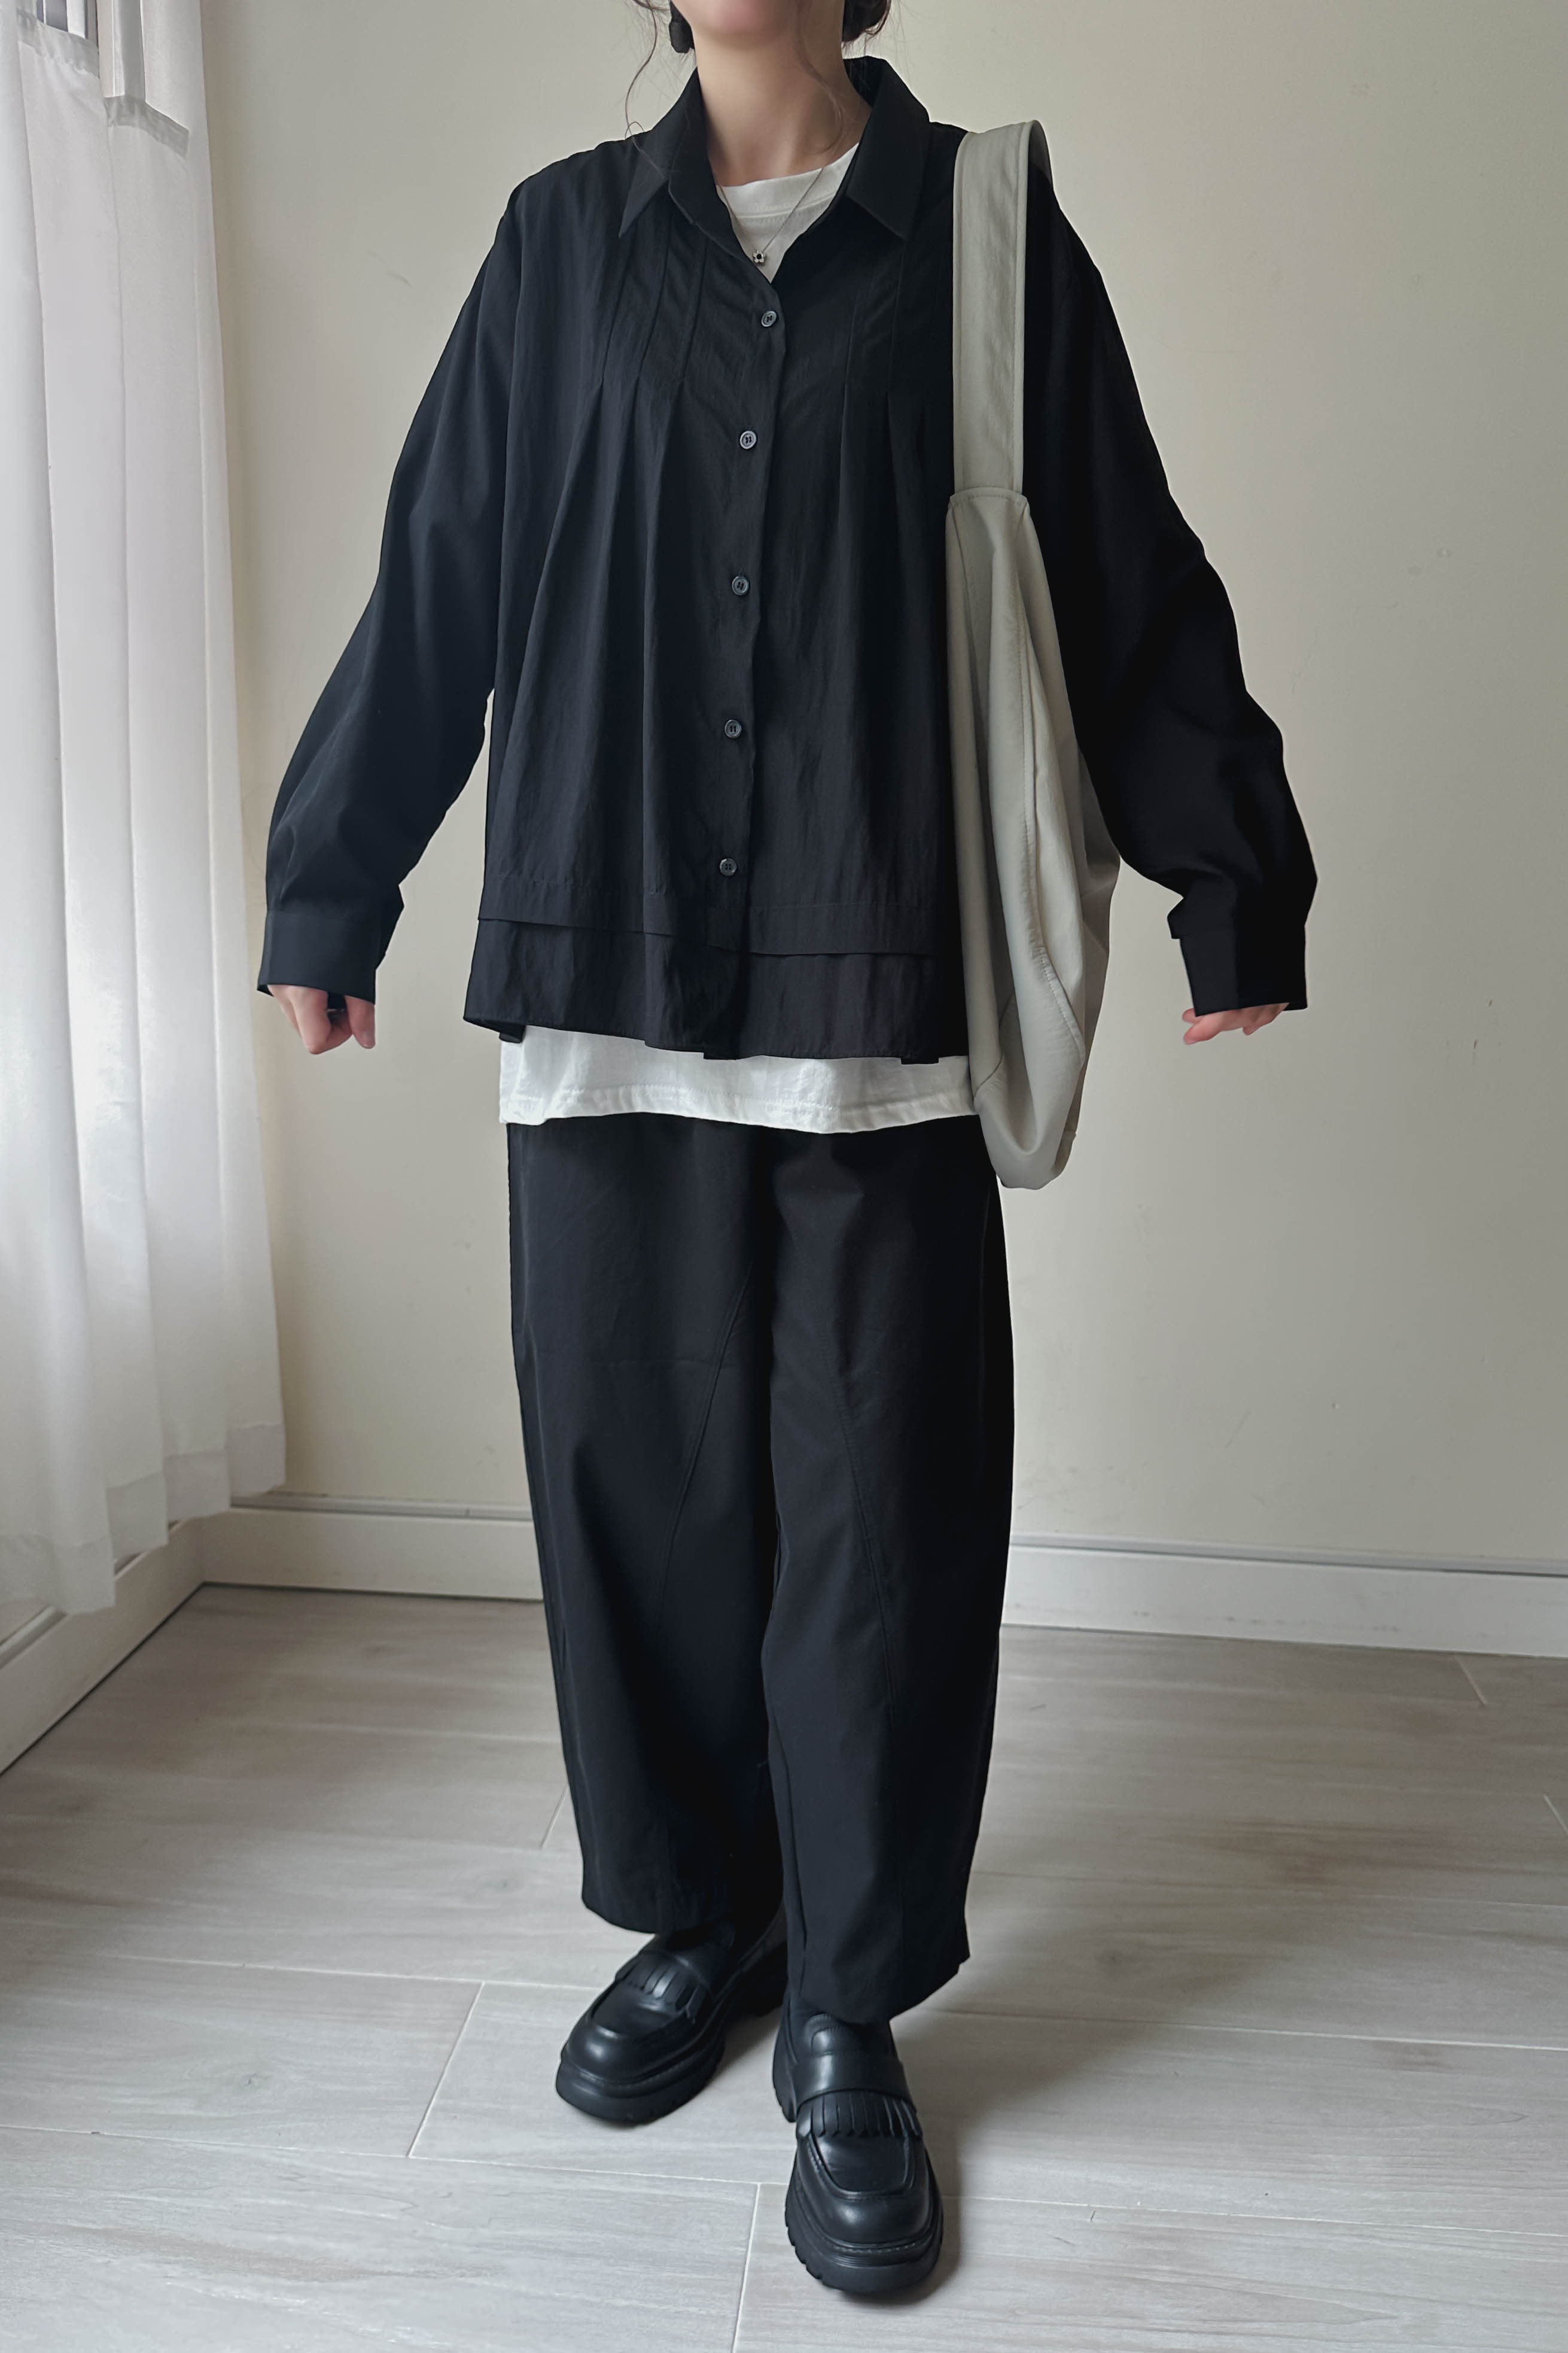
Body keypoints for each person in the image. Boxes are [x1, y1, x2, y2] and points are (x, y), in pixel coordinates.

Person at [258, 0, 1315, 2299]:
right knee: (636, 1503)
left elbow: (1123, 568)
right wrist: (331, 884)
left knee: (882, 1532)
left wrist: (1231, 869)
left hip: (877, 982)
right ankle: (709, 1917)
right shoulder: (557, 247)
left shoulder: (984, 238)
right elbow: (440, 576)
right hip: (605, 965)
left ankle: (847, 2000)